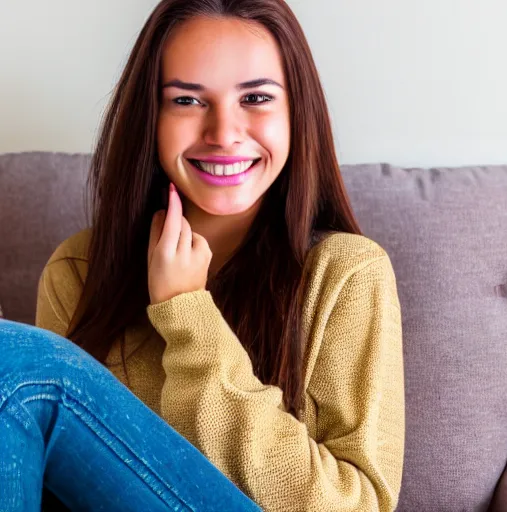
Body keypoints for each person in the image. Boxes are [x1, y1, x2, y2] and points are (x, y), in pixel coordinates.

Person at [0, 0, 405, 510]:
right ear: (151, 116)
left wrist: (189, 317)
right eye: (188, 101)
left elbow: (361, 504)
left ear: (296, 113)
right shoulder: (79, 270)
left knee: (10, 359)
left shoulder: (346, 273)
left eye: (255, 97)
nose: (223, 134)